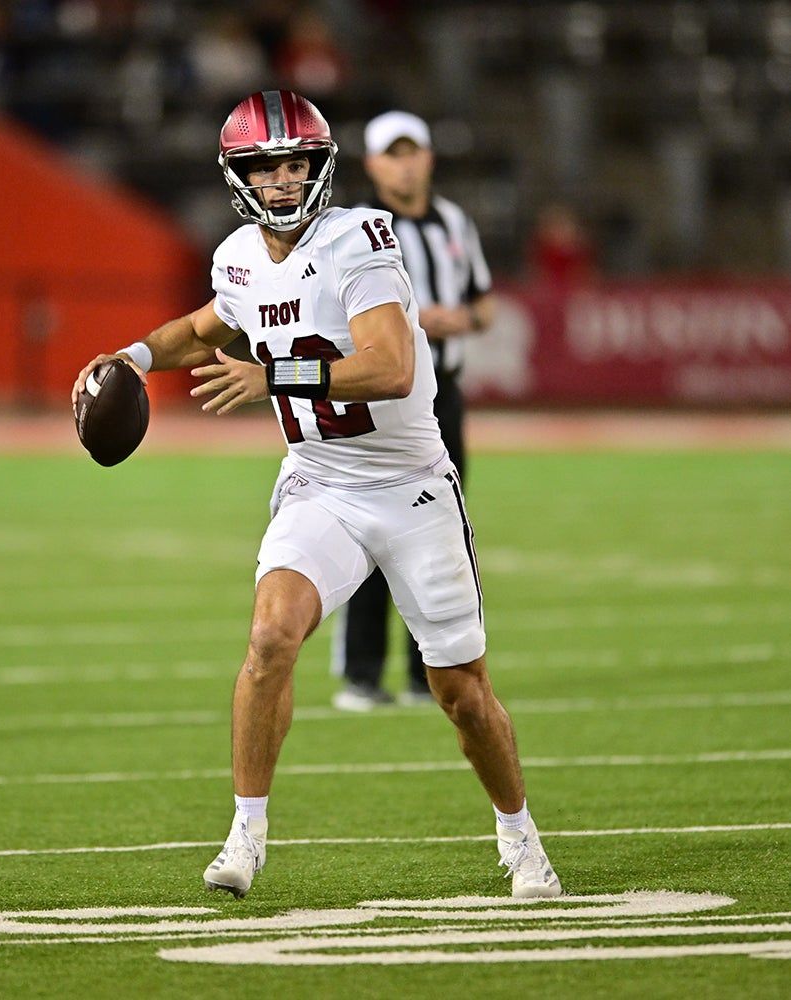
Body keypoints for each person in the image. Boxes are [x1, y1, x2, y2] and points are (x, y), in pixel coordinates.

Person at [72, 89, 562, 903]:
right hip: (322, 483)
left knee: (461, 692)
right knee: (270, 637)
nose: (285, 180)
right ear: (240, 177)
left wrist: (274, 375)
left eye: (296, 162)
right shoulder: (236, 256)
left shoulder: (359, 239)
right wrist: (124, 356)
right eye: (267, 167)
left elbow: (391, 365)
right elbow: (200, 331)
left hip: (409, 487)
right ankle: (246, 832)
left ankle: (520, 837)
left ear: (320, 166)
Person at [333, 110, 497, 712]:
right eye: (392, 153)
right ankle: (361, 673)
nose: (404, 163)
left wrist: (466, 319)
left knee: (439, 529)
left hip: (443, 395)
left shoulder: (454, 221)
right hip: (382, 397)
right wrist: (420, 320)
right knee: (372, 524)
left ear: (428, 156)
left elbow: (485, 305)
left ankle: (428, 672)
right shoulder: (356, 230)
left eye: (413, 151)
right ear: (373, 165)